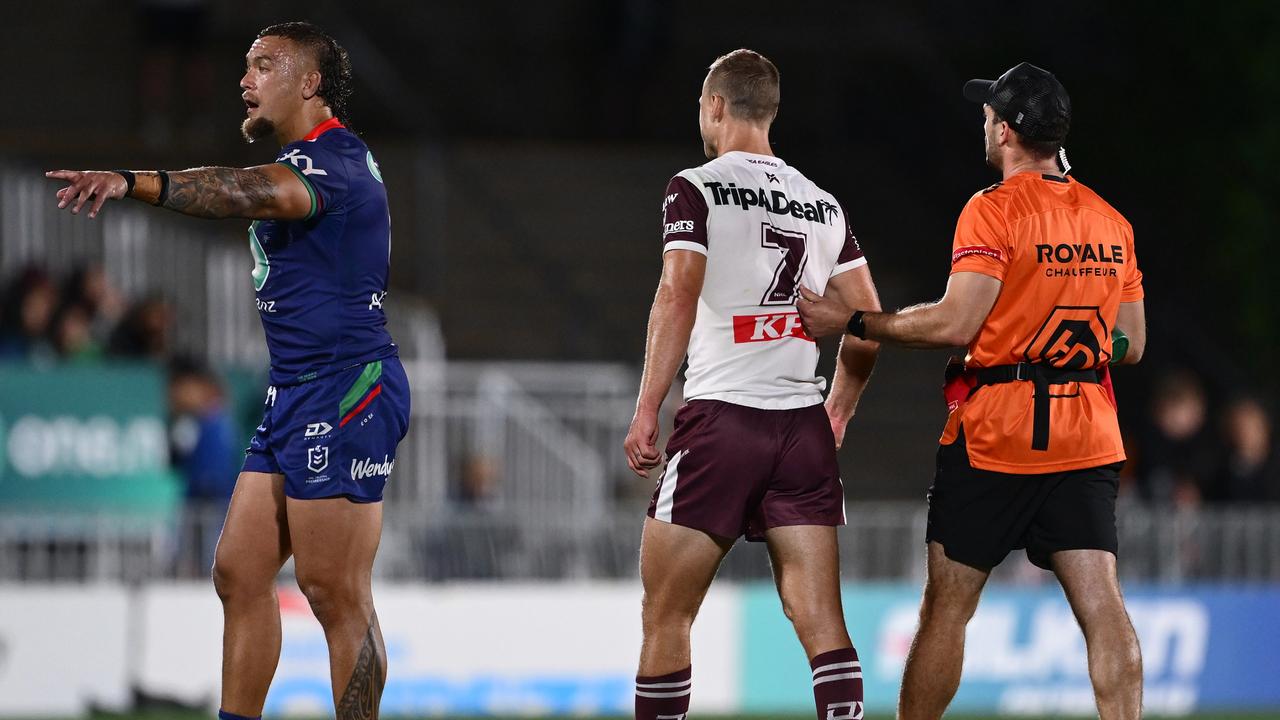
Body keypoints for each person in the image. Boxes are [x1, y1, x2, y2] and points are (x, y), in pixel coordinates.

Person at [47, 22, 410, 720]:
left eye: (264, 66)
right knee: (240, 572)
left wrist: (131, 182)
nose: (245, 80)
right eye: (245, 66)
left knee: (334, 590)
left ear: (309, 83)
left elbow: (240, 192)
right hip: (296, 390)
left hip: (346, 386)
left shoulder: (331, 160)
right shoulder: (311, 158)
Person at [796, 62, 1147, 720]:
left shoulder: (993, 209)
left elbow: (955, 322)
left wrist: (853, 321)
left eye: (989, 116)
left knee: (947, 612)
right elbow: (1132, 343)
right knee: (1104, 608)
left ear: (1007, 132)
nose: (983, 125)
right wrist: (1079, 343)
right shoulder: (1111, 221)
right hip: (1087, 435)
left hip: (999, 436)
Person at [623, 49, 881, 720]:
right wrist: (840, 410)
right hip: (800, 426)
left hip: (721, 422)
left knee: (667, 615)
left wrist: (648, 405)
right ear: (769, 111)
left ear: (714, 106)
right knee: (822, 623)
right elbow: (869, 322)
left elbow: (678, 293)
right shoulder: (823, 205)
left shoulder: (697, 185)